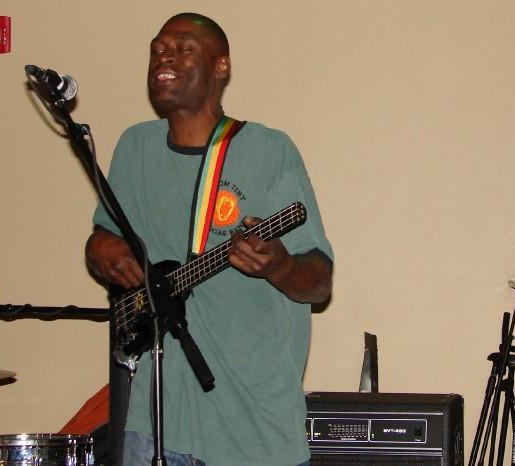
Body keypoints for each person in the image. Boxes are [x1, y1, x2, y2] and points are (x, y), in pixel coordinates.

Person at [85, 12, 334, 466]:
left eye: (184, 49)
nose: (164, 58)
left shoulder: (268, 150)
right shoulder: (134, 147)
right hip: (155, 422)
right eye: (158, 49)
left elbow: (319, 283)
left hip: (254, 430)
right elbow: (105, 237)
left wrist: (280, 266)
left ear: (222, 66)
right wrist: (99, 247)